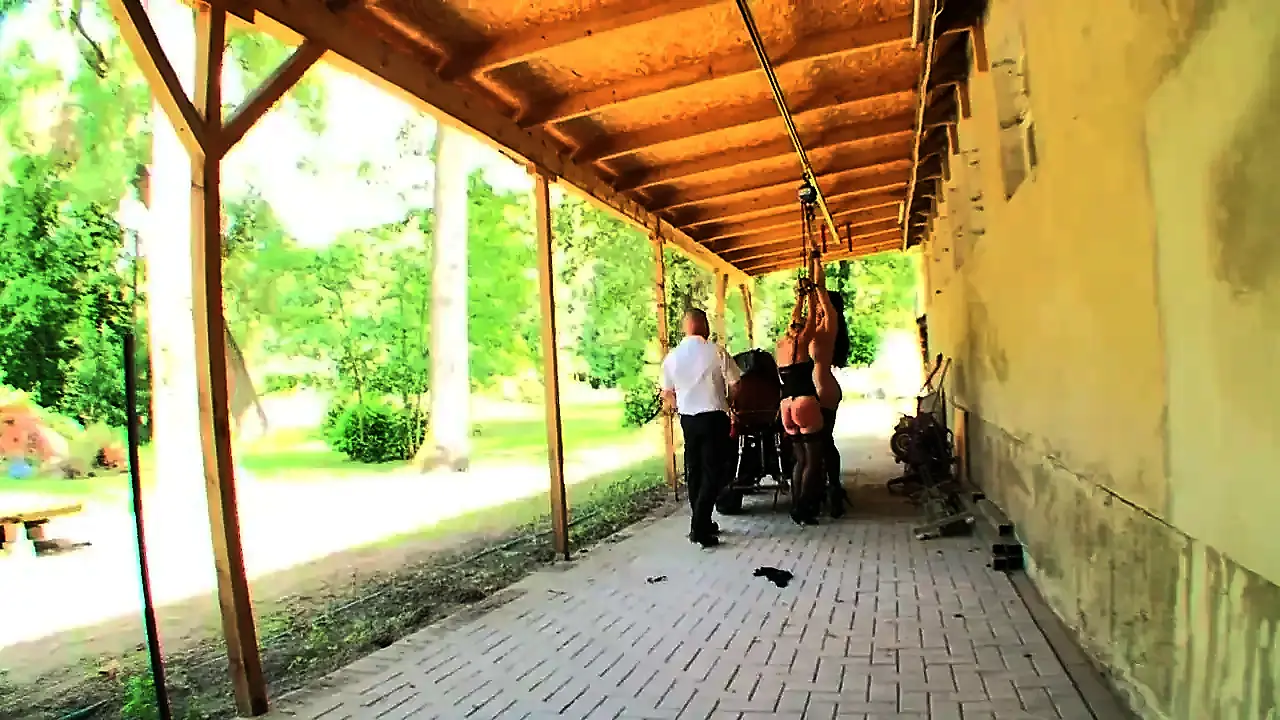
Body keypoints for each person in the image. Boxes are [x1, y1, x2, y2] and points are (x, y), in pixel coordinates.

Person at [661, 308, 741, 548]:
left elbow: (667, 393)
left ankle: (702, 521)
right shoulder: (716, 351)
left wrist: (679, 406)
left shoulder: (672, 357)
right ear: (704, 325)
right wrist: (729, 402)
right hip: (714, 417)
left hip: (688, 419)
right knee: (713, 472)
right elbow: (736, 384)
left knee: (695, 471)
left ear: (684, 327)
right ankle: (699, 527)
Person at [774, 263, 825, 525]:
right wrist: (813, 293)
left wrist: (800, 297)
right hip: (805, 401)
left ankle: (795, 505)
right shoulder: (802, 342)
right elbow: (814, 318)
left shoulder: (781, 344)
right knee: (813, 460)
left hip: (786, 406)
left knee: (799, 459)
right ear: (801, 328)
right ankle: (804, 509)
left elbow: (797, 319)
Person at [809, 263, 851, 518]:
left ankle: (833, 489)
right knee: (822, 442)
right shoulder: (817, 327)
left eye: (819, 306)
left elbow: (821, 291)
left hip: (824, 390)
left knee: (823, 442)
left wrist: (816, 262)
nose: (815, 309)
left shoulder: (829, 325)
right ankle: (830, 488)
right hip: (819, 389)